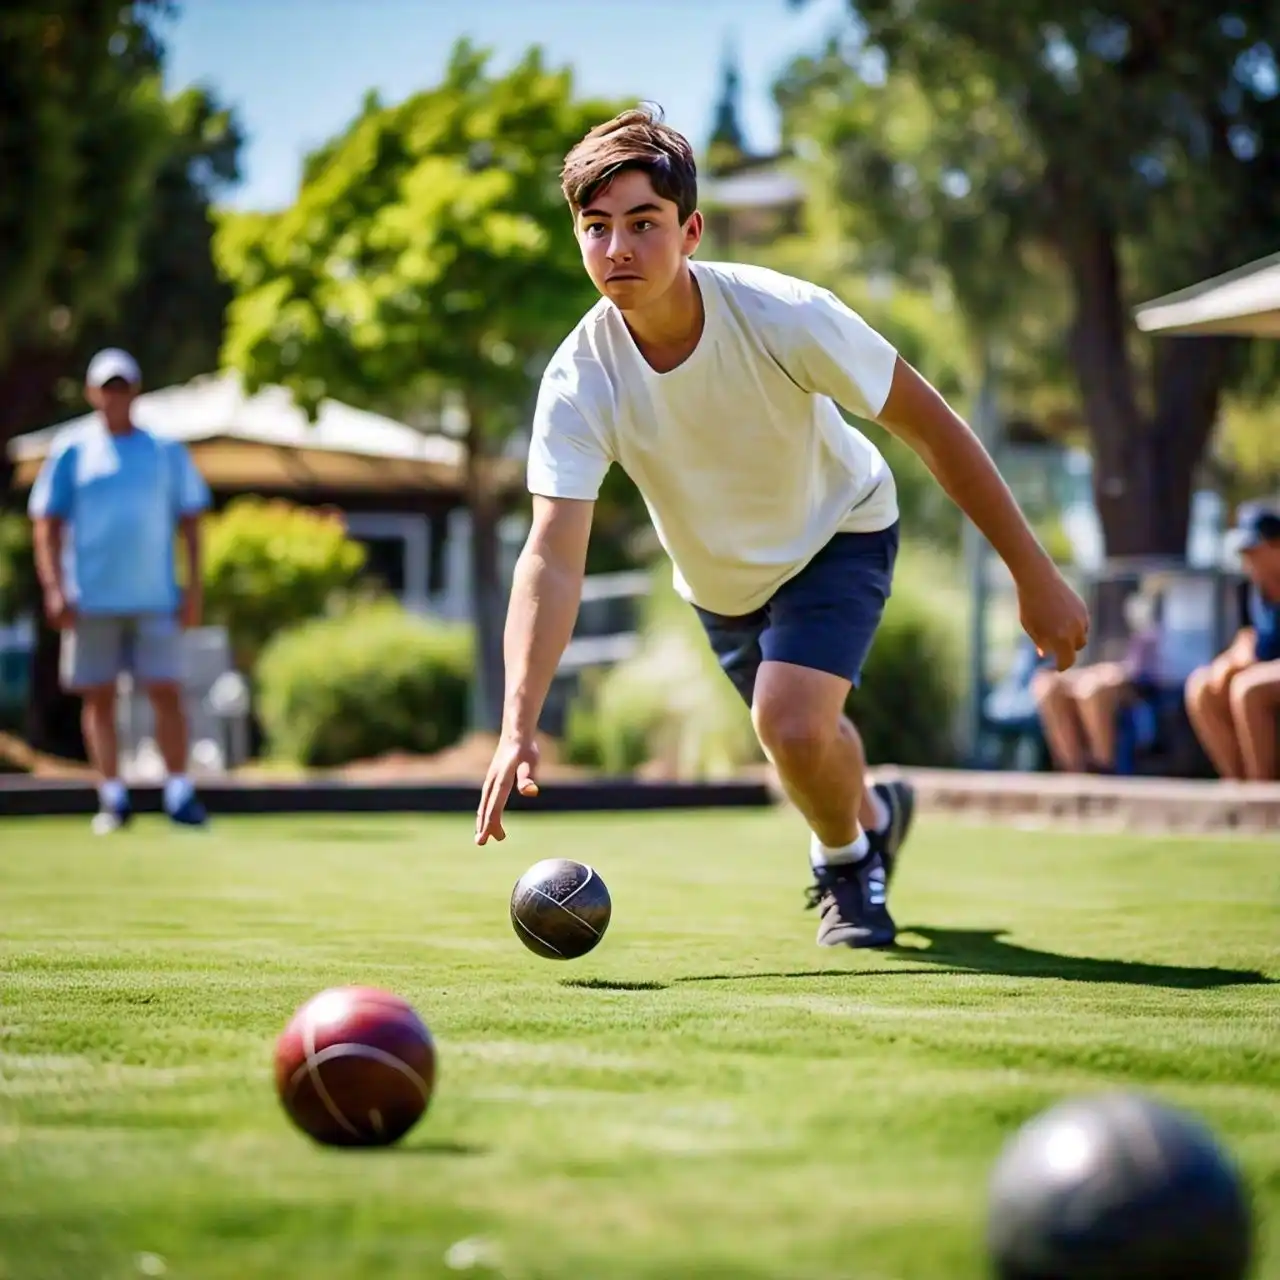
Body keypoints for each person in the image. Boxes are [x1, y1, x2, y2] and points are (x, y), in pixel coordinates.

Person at [474, 107, 1089, 948]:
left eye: (643, 224)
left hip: (841, 529)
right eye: (596, 227)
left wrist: (1035, 573)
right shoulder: (579, 380)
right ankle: (876, 814)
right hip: (720, 584)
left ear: (690, 231)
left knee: (789, 722)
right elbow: (551, 557)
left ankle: (845, 871)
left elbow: (933, 427)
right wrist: (518, 727)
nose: (618, 248)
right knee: (808, 739)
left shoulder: (783, 314)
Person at [28, 348, 211, 832]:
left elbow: (191, 521)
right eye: (106, 388)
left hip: (155, 597)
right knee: (99, 697)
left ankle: (179, 794)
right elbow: (46, 522)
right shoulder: (71, 449)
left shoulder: (165, 450)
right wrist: (54, 588)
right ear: (92, 393)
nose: (115, 397)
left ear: (136, 390)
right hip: (91, 598)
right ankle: (112, 797)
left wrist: (193, 589)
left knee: (166, 691)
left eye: (122, 387)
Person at [1184, 501, 1280, 782]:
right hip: (1268, 667)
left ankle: (1262, 793)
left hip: (1267, 674)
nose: (1247, 560)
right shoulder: (1250, 591)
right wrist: (1232, 661)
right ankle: (1239, 786)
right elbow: (1248, 637)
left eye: (1253, 551)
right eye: (1243, 553)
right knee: (1202, 686)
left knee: (1248, 688)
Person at [1032, 589, 1165, 773]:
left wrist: (1109, 671)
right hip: (1092, 669)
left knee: (1092, 689)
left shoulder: (1149, 589)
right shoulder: (1096, 588)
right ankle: (1073, 770)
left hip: (1135, 677)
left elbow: (1144, 660)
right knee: (1047, 686)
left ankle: (1102, 771)